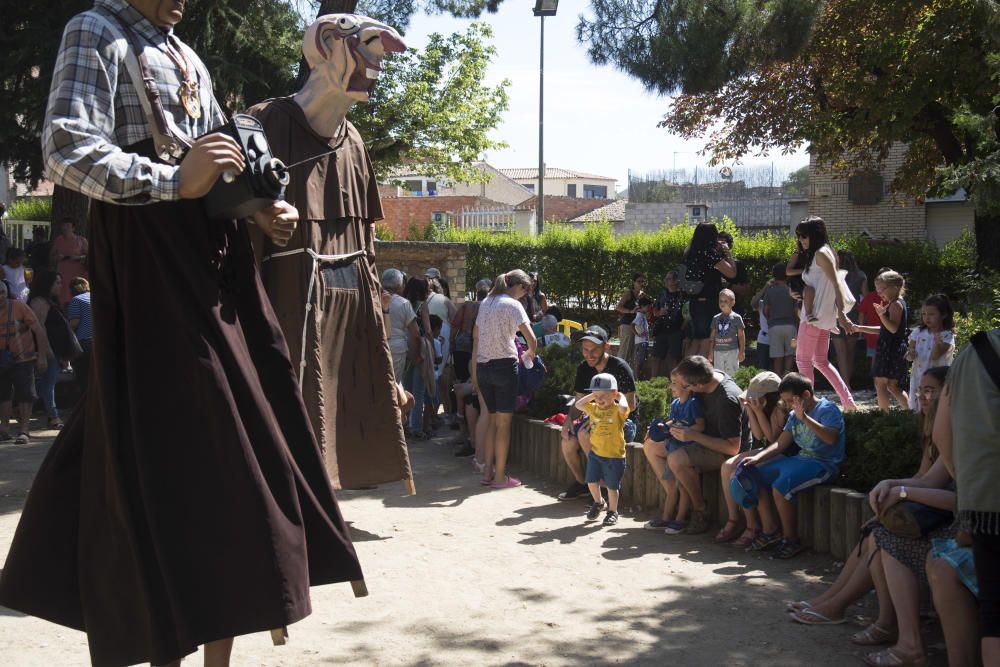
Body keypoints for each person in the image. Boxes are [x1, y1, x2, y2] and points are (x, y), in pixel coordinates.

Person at [0, 2, 364, 665]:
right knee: (177, 458)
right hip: (150, 263)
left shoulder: (187, 55)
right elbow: (66, 147)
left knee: (238, 452)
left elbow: (218, 171)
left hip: (217, 268)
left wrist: (258, 206)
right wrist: (174, 179)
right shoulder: (97, 32)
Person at [247, 14, 411, 493]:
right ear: (325, 45)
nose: (376, 66)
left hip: (347, 305)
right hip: (283, 306)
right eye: (366, 51)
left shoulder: (354, 144)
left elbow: (368, 245)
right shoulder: (264, 123)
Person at [785, 368, 947, 626]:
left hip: (949, 523)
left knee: (878, 537)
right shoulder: (931, 429)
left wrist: (900, 491)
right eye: (920, 391)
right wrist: (890, 484)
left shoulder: (954, 433)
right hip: (933, 513)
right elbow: (923, 477)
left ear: (949, 395)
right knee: (872, 533)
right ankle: (830, 599)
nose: (923, 397)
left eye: (930, 391)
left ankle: (854, 612)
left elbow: (936, 487)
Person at [935, 326, 1000, 667]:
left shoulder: (974, 351)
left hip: (986, 500)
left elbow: (942, 435)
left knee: (995, 612)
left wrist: (968, 480)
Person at [741, 373, 845, 559]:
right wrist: (759, 458)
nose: (788, 405)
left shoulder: (827, 409)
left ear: (806, 395)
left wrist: (804, 417)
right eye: (785, 401)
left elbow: (830, 438)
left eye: (790, 400)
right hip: (800, 459)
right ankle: (770, 530)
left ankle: (791, 539)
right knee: (753, 474)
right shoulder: (793, 414)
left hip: (823, 464)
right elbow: (781, 444)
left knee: (780, 486)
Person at [665, 355, 751, 533]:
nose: (681, 387)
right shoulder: (710, 375)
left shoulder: (727, 399)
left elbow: (732, 448)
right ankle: (672, 501)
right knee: (653, 445)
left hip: (726, 449)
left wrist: (692, 435)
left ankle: (700, 509)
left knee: (676, 460)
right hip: (706, 438)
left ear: (697, 386)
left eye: (685, 386)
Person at [557, 326, 639, 501]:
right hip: (594, 417)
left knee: (586, 434)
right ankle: (583, 483)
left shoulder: (620, 367)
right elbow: (578, 402)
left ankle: (602, 487)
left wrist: (603, 416)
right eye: (585, 350)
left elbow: (630, 406)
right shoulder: (583, 368)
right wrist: (568, 421)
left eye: (594, 350)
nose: (589, 354)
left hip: (622, 421)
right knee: (567, 440)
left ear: (606, 347)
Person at [473, 269, 537, 489]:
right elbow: (532, 339)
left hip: (483, 367)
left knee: (491, 421)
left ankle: (488, 472)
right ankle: (500, 477)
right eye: (525, 290)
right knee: (503, 425)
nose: (525, 295)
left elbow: (477, 335)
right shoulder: (513, 305)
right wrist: (530, 354)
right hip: (504, 367)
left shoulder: (486, 303)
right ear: (518, 286)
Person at [785, 217, 857, 411]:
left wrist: (842, 314)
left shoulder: (820, 254)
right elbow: (828, 284)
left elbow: (836, 285)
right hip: (822, 317)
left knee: (804, 361)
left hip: (814, 317)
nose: (801, 239)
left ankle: (809, 406)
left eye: (804, 235)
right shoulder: (825, 252)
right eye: (799, 236)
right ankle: (848, 402)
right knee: (821, 362)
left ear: (814, 235)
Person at [717, 371, 789, 547]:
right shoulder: (761, 407)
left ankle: (752, 525)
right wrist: (751, 410)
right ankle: (734, 518)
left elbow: (773, 439)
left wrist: (758, 411)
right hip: (768, 449)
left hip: (781, 452)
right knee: (727, 466)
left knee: (741, 473)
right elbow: (758, 434)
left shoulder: (780, 408)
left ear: (767, 397)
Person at [642, 368, 706, 533]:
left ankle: (680, 519)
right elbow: (674, 421)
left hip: (684, 450)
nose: (671, 386)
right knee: (673, 487)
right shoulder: (676, 403)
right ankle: (667, 517)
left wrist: (685, 430)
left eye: (674, 383)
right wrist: (664, 427)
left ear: (686, 386)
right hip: (673, 447)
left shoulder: (693, 403)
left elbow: (700, 425)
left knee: (684, 487)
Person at [848, 270, 910, 412]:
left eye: (882, 289)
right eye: (877, 289)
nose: (879, 292)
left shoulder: (896, 304)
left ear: (895, 287)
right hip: (891, 347)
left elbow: (893, 328)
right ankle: (909, 412)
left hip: (891, 349)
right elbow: (885, 329)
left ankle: (883, 416)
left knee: (881, 383)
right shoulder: (895, 303)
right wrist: (859, 328)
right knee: (892, 386)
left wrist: (882, 315)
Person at [576, 373, 631, 526]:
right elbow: (578, 405)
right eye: (596, 395)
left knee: (612, 486)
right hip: (596, 453)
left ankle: (613, 511)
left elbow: (625, 407)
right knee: (591, 481)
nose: (599, 399)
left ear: (613, 394)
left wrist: (620, 397)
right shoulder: (593, 408)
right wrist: (592, 396)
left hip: (614, 456)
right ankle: (599, 502)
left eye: (603, 396)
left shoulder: (617, 410)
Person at [0, 279, 51, 444]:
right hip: (2, 361)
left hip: (24, 358)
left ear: (6, 293)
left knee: (25, 394)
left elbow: (38, 330)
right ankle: (4, 430)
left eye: (1, 292)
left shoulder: (19, 306)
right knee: (3, 395)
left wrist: (42, 356)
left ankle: (24, 430)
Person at [28, 271, 75, 429]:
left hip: (56, 350)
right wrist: (44, 353)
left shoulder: (51, 301)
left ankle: (32, 406)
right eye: (57, 283)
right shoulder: (39, 302)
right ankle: (53, 416)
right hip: (48, 350)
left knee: (47, 383)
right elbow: (39, 328)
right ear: (47, 284)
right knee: (48, 383)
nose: (60, 286)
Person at [682, 223, 737, 358]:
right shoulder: (710, 254)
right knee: (707, 342)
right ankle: (699, 376)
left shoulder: (690, 252)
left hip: (694, 302)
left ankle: (686, 375)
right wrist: (727, 252)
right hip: (708, 303)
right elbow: (732, 273)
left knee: (696, 342)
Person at [905, 293, 954, 411]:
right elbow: (909, 357)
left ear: (943, 315)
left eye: (931, 314)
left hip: (937, 380)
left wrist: (937, 344)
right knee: (918, 408)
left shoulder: (947, 335)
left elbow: (935, 356)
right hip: (918, 378)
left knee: (935, 408)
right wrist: (910, 353)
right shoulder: (917, 332)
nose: (927, 317)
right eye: (924, 314)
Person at [402, 276, 434, 439]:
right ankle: (416, 428)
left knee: (405, 389)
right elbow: (427, 330)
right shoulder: (423, 306)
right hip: (420, 351)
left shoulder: (402, 304)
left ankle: (405, 424)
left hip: (404, 350)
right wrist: (431, 349)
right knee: (419, 390)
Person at [829, 249, 867, 389]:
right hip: (854, 315)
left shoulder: (834, 275)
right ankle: (847, 382)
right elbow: (866, 298)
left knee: (841, 353)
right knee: (850, 351)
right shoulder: (861, 275)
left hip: (837, 314)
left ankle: (845, 384)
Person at [382, 268, 420, 383]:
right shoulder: (404, 303)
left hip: (378, 346)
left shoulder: (374, 300)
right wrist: (415, 353)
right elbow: (415, 332)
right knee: (394, 384)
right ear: (400, 286)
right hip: (397, 350)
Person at [762, 262, 799, 377]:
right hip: (790, 326)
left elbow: (765, 310)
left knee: (777, 357)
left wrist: (770, 319)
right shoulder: (791, 290)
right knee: (790, 354)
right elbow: (796, 312)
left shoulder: (770, 291)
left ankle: (777, 381)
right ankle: (787, 376)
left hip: (774, 326)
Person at [650, 271, 685, 378]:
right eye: (666, 278)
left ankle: (674, 383)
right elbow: (654, 311)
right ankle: (653, 382)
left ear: (675, 281)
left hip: (676, 330)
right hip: (661, 329)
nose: (665, 281)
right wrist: (659, 313)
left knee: (674, 358)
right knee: (656, 357)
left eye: (668, 279)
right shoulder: (662, 293)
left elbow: (687, 315)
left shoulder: (682, 295)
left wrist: (681, 329)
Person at [49, 219, 88, 306]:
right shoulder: (58, 240)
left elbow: (90, 257)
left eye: (68, 226)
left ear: (73, 228)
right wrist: (57, 257)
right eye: (63, 226)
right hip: (62, 276)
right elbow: (51, 256)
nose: (65, 228)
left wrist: (78, 257)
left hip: (77, 276)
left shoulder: (81, 241)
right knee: (62, 298)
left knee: (77, 297)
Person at [709, 288, 745, 377]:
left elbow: (741, 336)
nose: (722, 303)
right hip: (718, 351)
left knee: (733, 374)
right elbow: (712, 337)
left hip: (732, 351)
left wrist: (742, 351)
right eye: (720, 301)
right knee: (718, 375)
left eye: (725, 301)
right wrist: (711, 351)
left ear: (733, 302)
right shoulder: (715, 318)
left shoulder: (736, 318)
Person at [65, 276, 92, 392]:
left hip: (84, 342)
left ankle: (84, 404)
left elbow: (74, 323)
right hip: (99, 341)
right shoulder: (93, 297)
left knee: (84, 376)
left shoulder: (76, 300)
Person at [615, 272, 647, 368]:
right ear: (634, 282)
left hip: (638, 326)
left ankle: (630, 375)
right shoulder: (628, 293)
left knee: (634, 352)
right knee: (624, 350)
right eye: (638, 281)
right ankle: (618, 370)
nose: (641, 284)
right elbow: (618, 307)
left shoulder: (643, 295)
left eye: (642, 282)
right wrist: (630, 311)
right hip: (627, 325)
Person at [632, 295, 653, 378]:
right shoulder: (639, 316)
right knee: (639, 361)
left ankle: (639, 376)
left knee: (642, 360)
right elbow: (632, 325)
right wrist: (637, 334)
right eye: (647, 306)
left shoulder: (642, 316)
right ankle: (637, 378)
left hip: (643, 341)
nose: (648, 308)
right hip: (640, 342)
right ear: (642, 306)